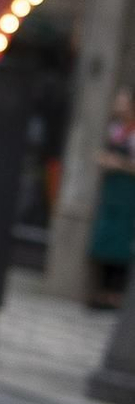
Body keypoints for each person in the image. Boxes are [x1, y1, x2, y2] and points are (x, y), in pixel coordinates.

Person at [90, 84, 135, 307]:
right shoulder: (116, 129)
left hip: (128, 196)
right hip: (112, 193)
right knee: (106, 239)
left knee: (121, 243)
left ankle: (113, 295)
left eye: (123, 100)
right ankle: (102, 292)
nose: (118, 103)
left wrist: (121, 164)